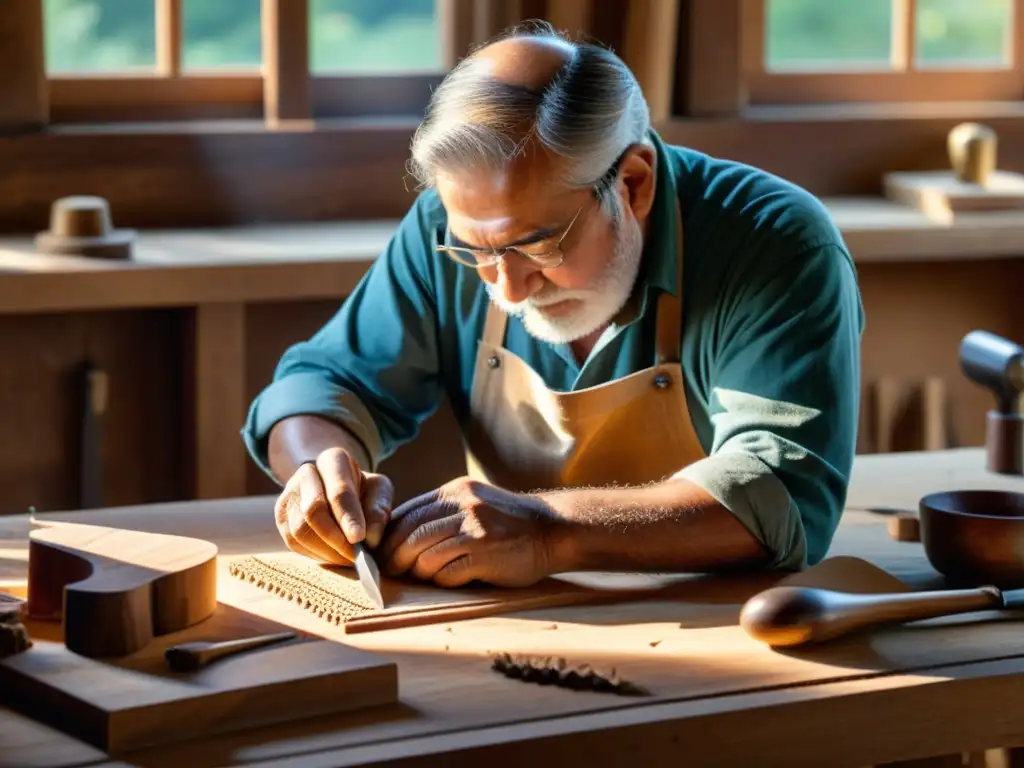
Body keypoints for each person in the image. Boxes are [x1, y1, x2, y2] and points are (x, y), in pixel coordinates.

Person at [241, 22, 864, 589]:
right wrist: (318, 473)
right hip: (519, 622)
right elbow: (320, 385)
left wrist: (548, 529)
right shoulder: (452, 227)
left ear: (634, 184)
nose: (507, 288)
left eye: (539, 244)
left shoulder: (775, 243)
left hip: (727, 627)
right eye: (476, 251)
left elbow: (780, 496)